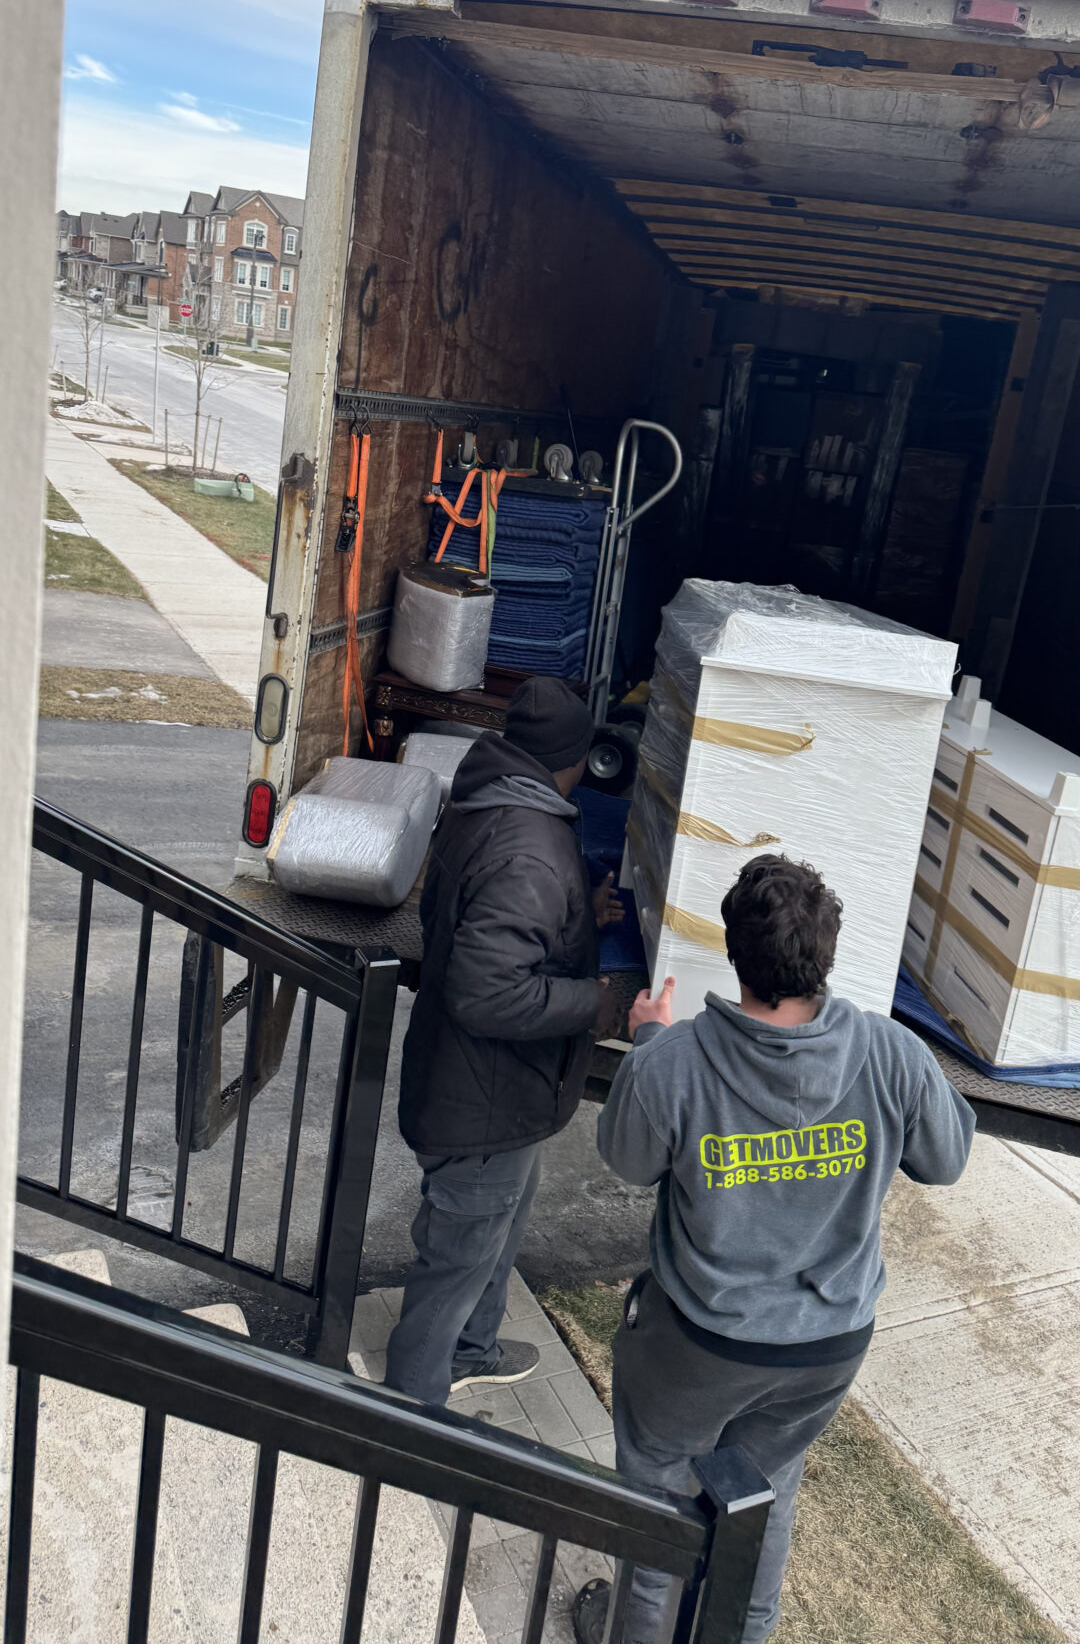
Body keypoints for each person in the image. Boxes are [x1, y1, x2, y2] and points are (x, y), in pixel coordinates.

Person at [573, 854, 975, 1644]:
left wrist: (648, 1042)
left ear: (734, 953)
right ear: (826, 954)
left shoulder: (679, 1061)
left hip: (697, 1346)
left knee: (659, 1516)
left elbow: (626, 1159)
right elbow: (948, 1158)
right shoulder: (890, 1055)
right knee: (763, 1497)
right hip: (823, 1352)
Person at [384, 675, 623, 1407]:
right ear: (574, 760)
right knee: (456, 1259)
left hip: (496, 1092)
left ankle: (473, 1349)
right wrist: (605, 1008)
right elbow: (489, 990)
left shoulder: (492, 799)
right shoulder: (532, 851)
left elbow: (493, 923)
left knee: (496, 1226)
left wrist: (585, 910)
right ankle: (407, 1412)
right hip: (481, 1102)